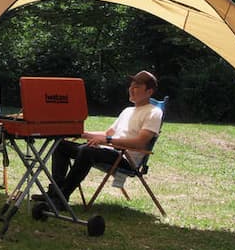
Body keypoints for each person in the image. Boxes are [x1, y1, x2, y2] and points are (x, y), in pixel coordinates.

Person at [45, 70, 163, 209]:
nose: (131, 89)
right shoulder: (127, 111)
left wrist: (107, 140)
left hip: (125, 158)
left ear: (149, 92)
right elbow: (107, 133)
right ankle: (55, 193)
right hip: (109, 151)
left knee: (87, 151)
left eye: (137, 86)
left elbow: (140, 142)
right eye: (131, 86)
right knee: (61, 146)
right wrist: (82, 133)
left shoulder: (154, 112)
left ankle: (61, 198)